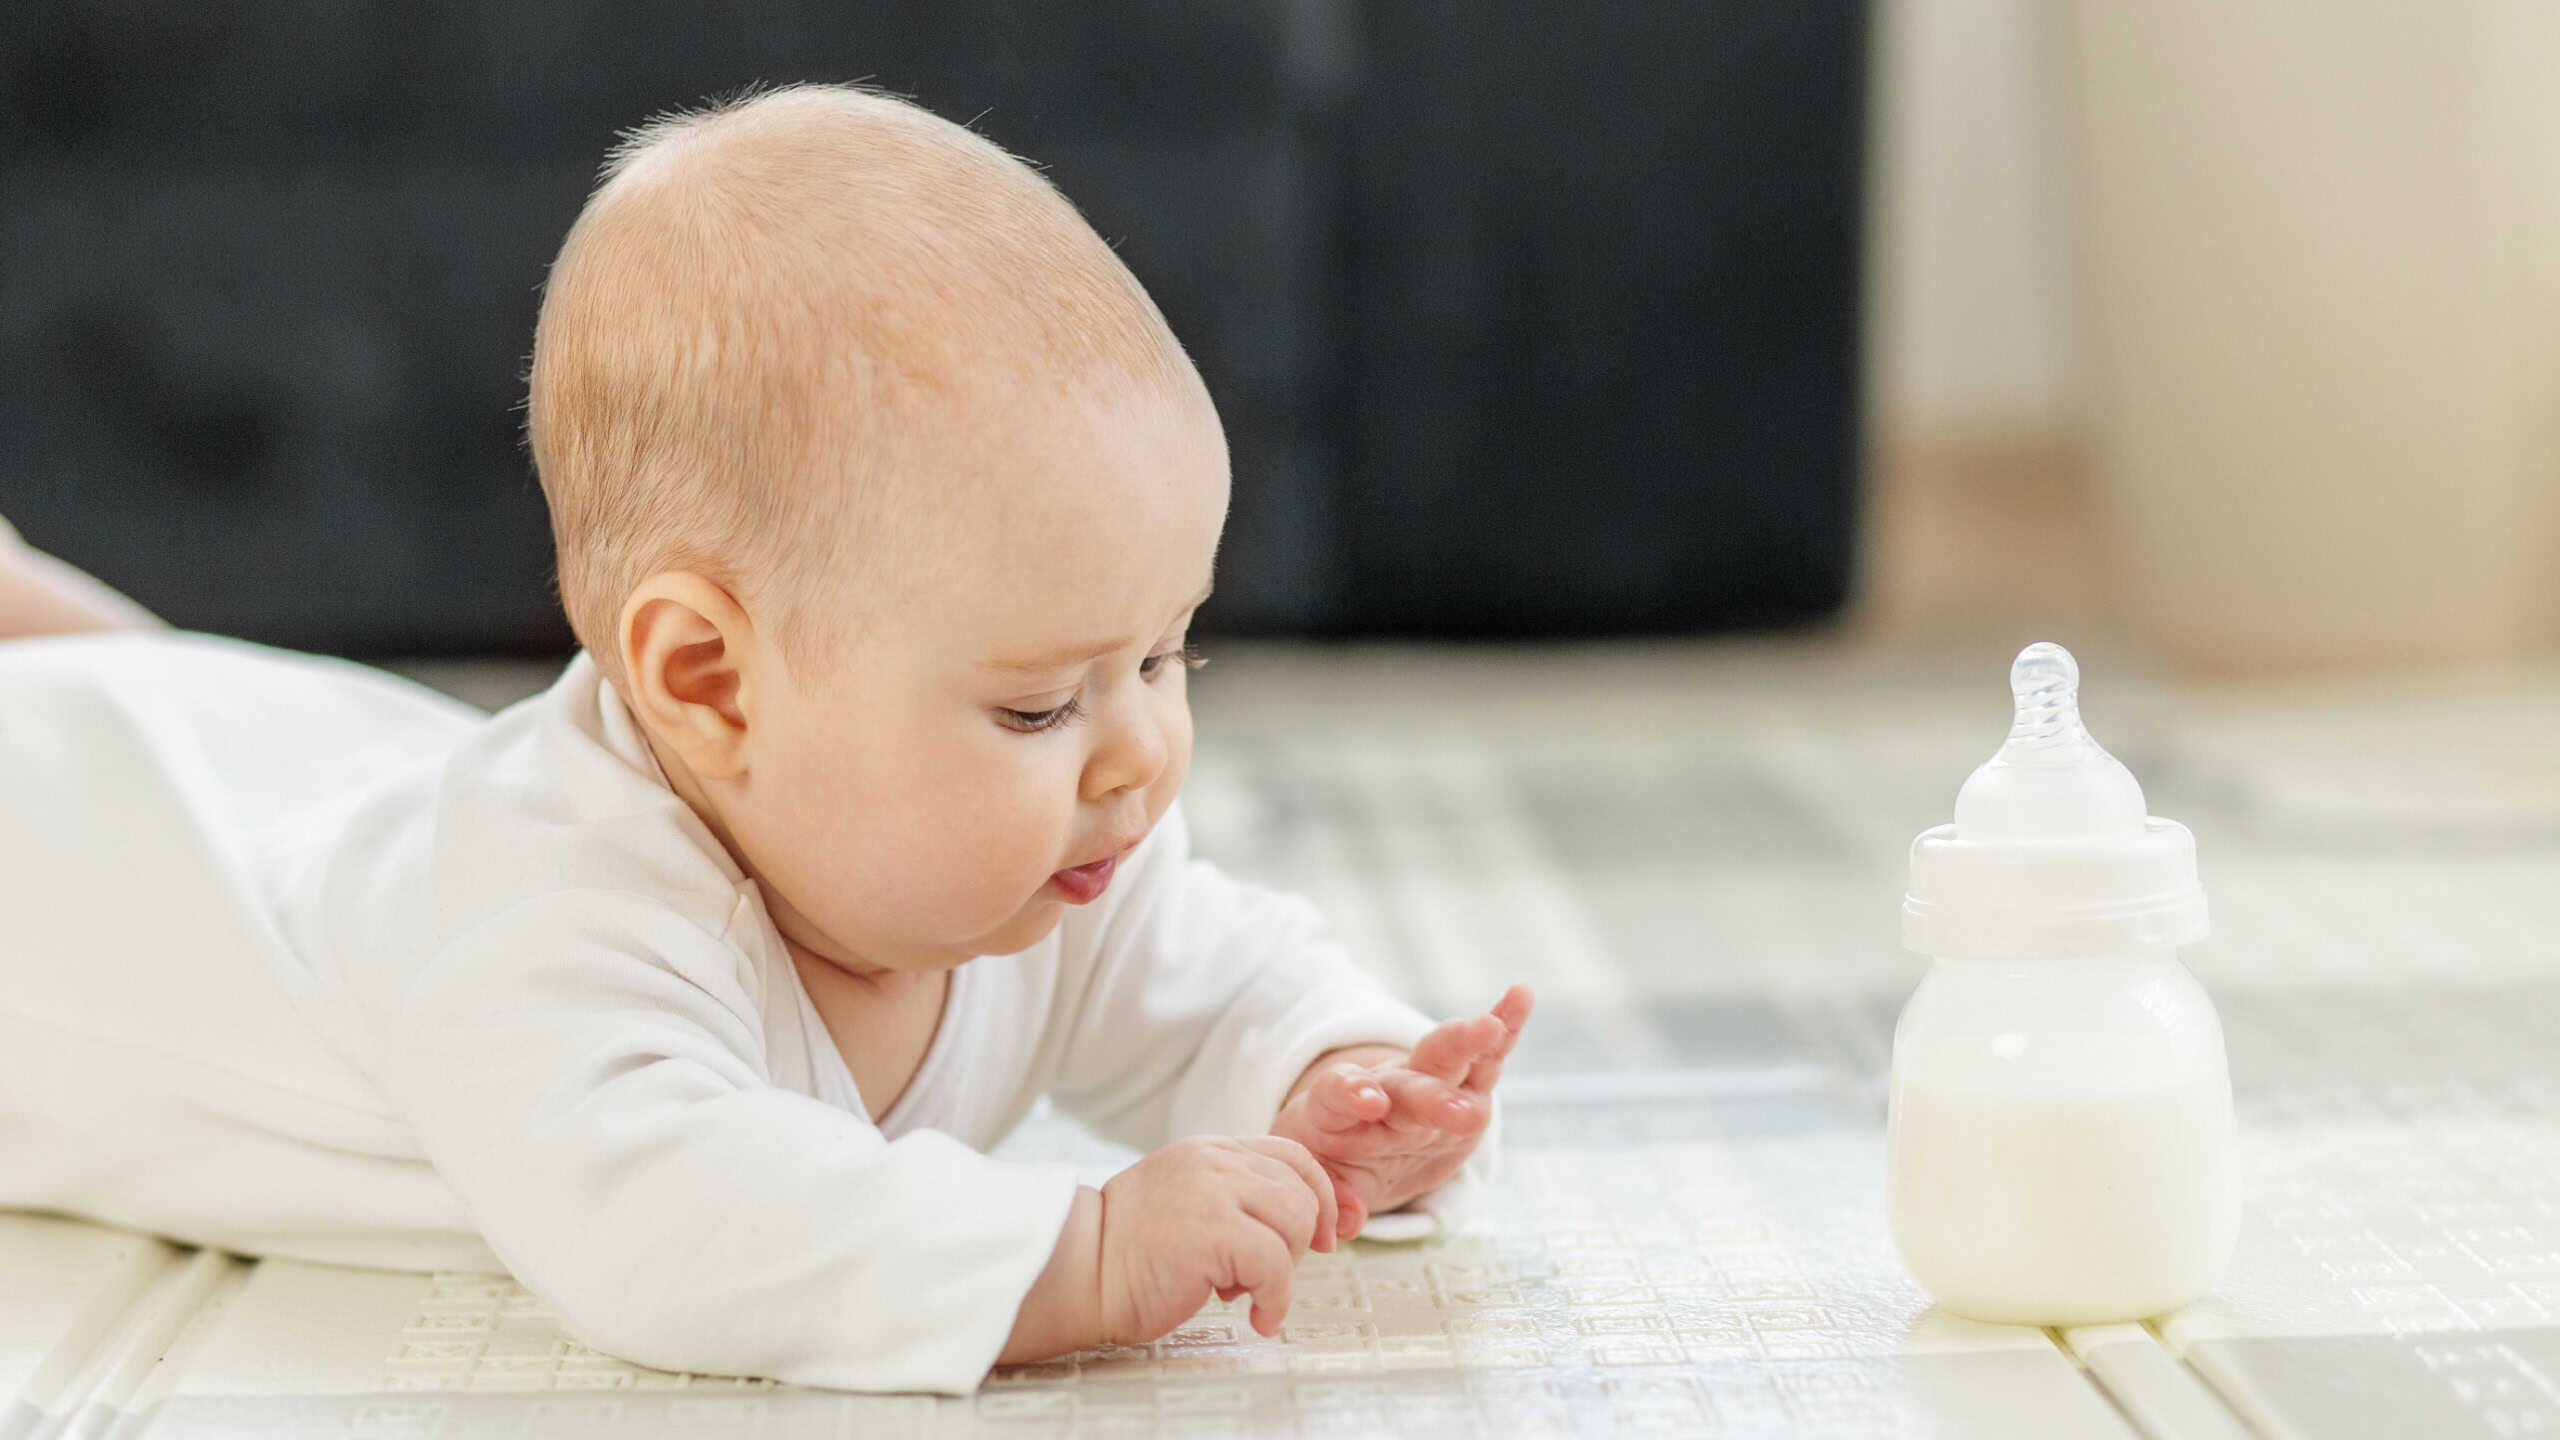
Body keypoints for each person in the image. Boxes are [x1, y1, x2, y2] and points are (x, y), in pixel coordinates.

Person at [0, 84, 1531, 1394]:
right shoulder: (537, 920)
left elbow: (1213, 979)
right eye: (1040, 704)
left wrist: (1339, 1082)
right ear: (711, 684)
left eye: (1165, 653)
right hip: (64, 881)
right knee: (139, 734)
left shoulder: (1049, 846)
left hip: (318, 786)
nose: (1139, 753)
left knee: (217, 712)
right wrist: (1076, 1253)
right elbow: (674, 1225)